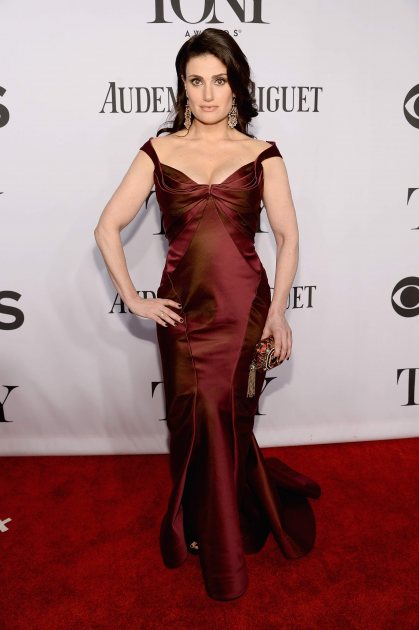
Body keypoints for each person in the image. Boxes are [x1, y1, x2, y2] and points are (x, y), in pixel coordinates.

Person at [94, 28, 321, 601]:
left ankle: (227, 538)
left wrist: (280, 314)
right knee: (194, 426)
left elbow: (290, 238)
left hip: (246, 310)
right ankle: (202, 522)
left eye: (219, 80)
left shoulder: (261, 155)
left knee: (228, 418)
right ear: (183, 88)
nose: (208, 94)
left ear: (236, 85)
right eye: (196, 81)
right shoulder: (160, 150)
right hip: (184, 316)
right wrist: (136, 296)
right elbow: (106, 227)